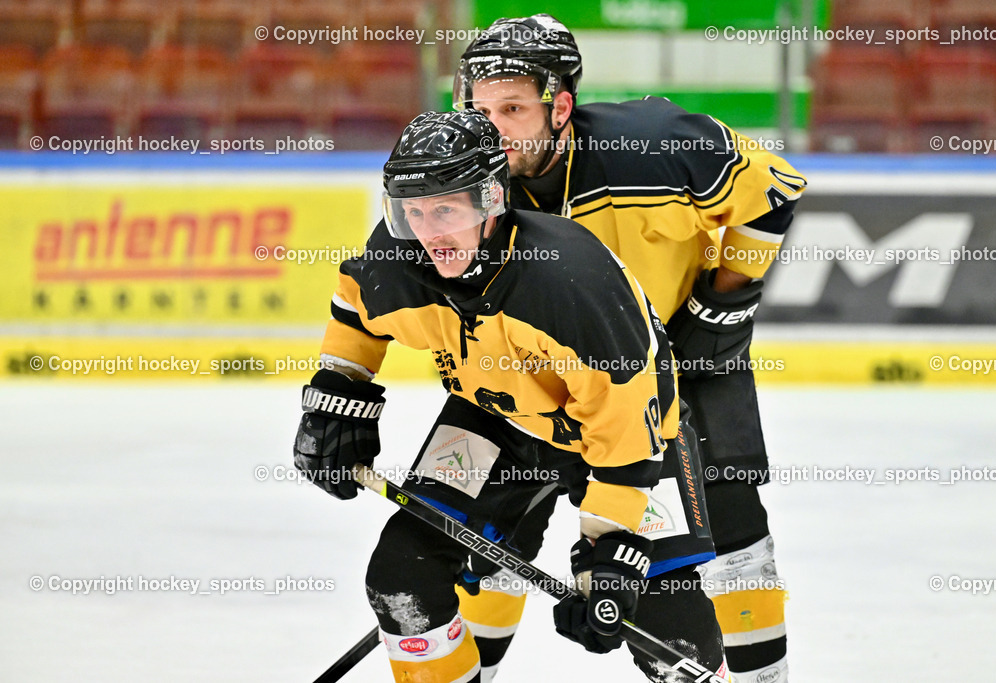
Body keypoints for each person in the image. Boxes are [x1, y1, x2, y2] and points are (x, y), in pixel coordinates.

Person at [292, 109, 727, 682]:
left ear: (491, 200)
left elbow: (626, 428)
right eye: (414, 213)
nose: (430, 234)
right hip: (495, 420)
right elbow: (356, 306)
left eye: (446, 209)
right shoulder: (401, 258)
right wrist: (337, 391)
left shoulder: (571, 284)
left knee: (668, 624)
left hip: (633, 435)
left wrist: (609, 555)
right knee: (402, 576)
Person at [453, 14, 807, 683]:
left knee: (733, 525)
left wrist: (723, 305)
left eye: (513, 108)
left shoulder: (652, 146)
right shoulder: (465, 179)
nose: (491, 128)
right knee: (490, 533)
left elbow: (775, 189)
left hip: (684, 356)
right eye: (479, 108)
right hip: (548, 377)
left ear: (561, 106)